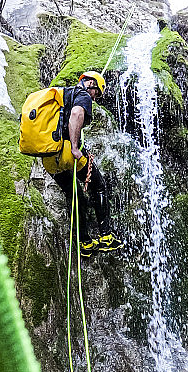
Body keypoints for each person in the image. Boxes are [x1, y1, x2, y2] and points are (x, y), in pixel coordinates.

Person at [42, 71, 123, 258]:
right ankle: (105, 237)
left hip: (49, 159)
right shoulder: (82, 94)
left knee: (76, 196)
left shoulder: (61, 97)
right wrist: (75, 147)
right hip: (67, 152)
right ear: (91, 83)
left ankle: (85, 242)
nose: (95, 98)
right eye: (97, 92)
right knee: (99, 186)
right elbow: (77, 113)